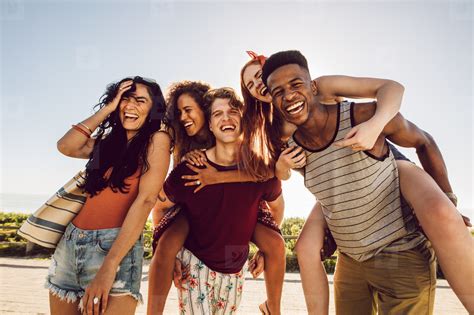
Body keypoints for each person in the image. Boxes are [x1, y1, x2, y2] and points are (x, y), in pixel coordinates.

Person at [238, 51, 473, 313]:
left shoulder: (323, 89)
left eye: (258, 76)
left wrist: (376, 123)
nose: (257, 84)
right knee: (305, 247)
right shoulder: (273, 130)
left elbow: (391, 89)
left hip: (380, 156)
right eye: (251, 85)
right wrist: (282, 169)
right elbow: (273, 180)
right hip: (334, 183)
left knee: (441, 213)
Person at [147, 82, 285, 315]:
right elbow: (160, 206)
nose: (226, 118)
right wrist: (163, 246)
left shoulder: (259, 166)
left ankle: (273, 308)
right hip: (195, 242)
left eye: (232, 112)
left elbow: (275, 201)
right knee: (167, 243)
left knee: (275, 243)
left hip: (233, 259)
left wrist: (264, 248)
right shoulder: (189, 162)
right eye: (218, 114)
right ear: (210, 123)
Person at [46, 77, 171, 315]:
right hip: (70, 244)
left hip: (116, 249)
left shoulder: (158, 140)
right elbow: (66, 146)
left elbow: (145, 201)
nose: (130, 106)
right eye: (125, 99)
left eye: (140, 101)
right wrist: (108, 108)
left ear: (153, 109)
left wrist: (109, 267)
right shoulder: (106, 144)